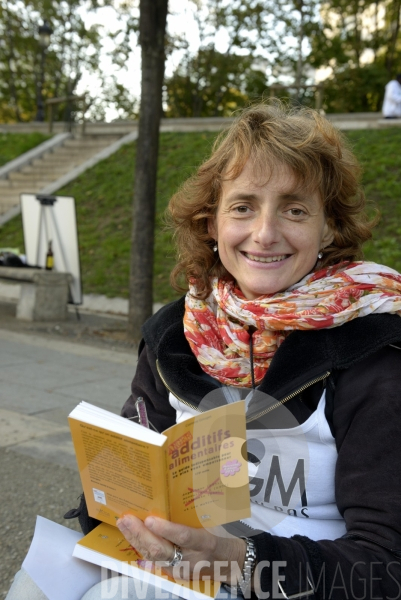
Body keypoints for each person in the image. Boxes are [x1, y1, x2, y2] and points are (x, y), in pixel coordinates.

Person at [7, 101, 401, 600]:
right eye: (243, 207)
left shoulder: (371, 351)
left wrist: (241, 560)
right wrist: (109, 496)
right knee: (35, 586)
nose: (264, 233)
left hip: (296, 584)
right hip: (172, 560)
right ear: (211, 224)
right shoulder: (176, 332)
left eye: (295, 209)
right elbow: (123, 476)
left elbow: (386, 566)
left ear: (328, 228)